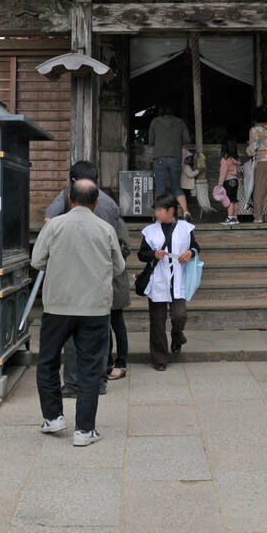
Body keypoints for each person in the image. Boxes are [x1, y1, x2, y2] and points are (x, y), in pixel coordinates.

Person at [31, 179, 126, 447]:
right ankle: (84, 430)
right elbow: (118, 267)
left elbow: (37, 261)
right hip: (94, 308)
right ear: (96, 202)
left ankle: (53, 417)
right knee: (91, 367)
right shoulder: (106, 228)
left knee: (48, 361)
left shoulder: (54, 226)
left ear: (70, 199)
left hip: (58, 306)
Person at [43, 161, 128, 394]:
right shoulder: (110, 205)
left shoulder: (66, 196)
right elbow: (118, 260)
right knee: (98, 338)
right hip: (99, 285)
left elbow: (47, 225)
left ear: (73, 184)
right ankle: (98, 383)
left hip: (69, 284)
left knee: (72, 340)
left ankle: (72, 384)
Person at [137, 193, 199, 371]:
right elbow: (141, 254)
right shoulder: (149, 231)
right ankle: (160, 358)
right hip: (158, 279)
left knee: (180, 315)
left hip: (178, 278)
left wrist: (190, 253)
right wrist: (153, 254)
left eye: (160, 209)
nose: (156, 213)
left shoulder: (185, 228)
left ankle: (177, 335)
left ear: (170, 210)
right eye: (156, 209)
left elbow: (195, 246)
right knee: (157, 321)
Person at [148, 105, 191, 220]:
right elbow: (187, 140)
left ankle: (159, 215)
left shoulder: (155, 121)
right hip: (175, 157)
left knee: (160, 188)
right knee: (176, 187)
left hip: (159, 157)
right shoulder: (180, 122)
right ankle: (186, 211)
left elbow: (151, 141)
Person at [218, 142, 242, 226]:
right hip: (235, 180)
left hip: (228, 181)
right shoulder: (236, 159)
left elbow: (223, 172)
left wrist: (220, 184)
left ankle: (230, 218)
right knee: (234, 200)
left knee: (229, 201)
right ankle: (235, 218)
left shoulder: (225, 159)